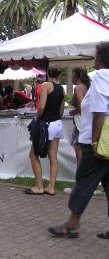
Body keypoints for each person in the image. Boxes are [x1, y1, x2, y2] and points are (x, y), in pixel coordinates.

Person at [48, 42, 109, 239]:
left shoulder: (101, 76)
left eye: (95, 55)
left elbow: (99, 110)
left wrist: (93, 142)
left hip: (98, 142)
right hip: (106, 141)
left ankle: (72, 224)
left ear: (100, 59)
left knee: (83, 181)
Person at [24, 67, 65, 195]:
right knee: (53, 156)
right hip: (58, 123)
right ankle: (51, 187)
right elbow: (61, 111)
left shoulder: (45, 85)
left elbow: (41, 106)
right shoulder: (61, 89)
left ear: (47, 74)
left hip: (46, 124)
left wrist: (38, 118)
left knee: (33, 154)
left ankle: (39, 186)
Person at [69, 68, 90, 165]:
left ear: (76, 76)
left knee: (79, 152)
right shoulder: (85, 86)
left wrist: (74, 112)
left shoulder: (78, 88)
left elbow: (82, 107)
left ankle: (81, 176)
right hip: (84, 122)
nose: (71, 77)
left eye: (72, 75)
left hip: (80, 123)